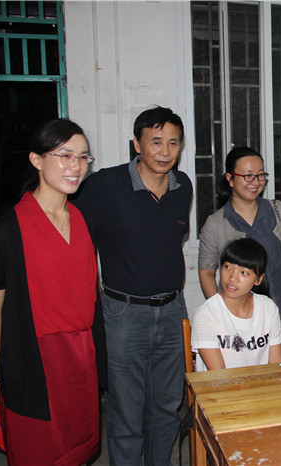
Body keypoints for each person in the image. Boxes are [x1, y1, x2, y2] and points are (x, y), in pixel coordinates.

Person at [0, 119, 107, 464]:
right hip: (33, 362)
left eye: (83, 157)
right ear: (36, 159)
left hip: (80, 359)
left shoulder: (84, 221)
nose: (76, 166)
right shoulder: (5, 232)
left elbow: (89, 292)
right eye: (65, 155)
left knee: (79, 450)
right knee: (38, 453)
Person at [72, 106, 192, 465]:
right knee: (126, 412)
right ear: (137, 144)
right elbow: (73, 234)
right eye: (156, 141)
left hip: (173, 311)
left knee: (167, 407)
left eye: (173, 143)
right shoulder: (104, 186)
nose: (165, 151)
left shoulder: (183, 186)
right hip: (123, 315)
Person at [198, 147, 281, 360]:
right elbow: (206, 272)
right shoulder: (215, 223)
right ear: (230, 179)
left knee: (277, 372)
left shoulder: (277, 211)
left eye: (260, 175)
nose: (255, 182)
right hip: (236, 317)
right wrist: (220, 312)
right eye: (248, 176)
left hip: (280, 309)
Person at [192, 238, 281, 371]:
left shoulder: (268, 308)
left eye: (244, 272)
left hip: (261, 382)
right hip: (220, 383)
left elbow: (276, 367)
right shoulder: (207, 314)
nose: (232, 278)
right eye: (228, 267)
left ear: (258, 279)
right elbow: (219, 376)